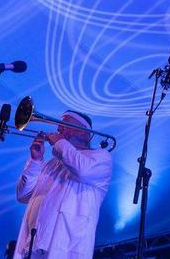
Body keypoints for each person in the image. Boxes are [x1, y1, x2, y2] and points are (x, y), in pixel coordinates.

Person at [13, 110, 112, 259]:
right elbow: (23, 195)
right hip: (33, 246)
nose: (60, 129)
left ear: (85, 132)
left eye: (66, 125)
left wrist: (60, 142)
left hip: (65, 248)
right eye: (60, 125)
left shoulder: (100, 157)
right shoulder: (52, 164)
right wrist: (35, 161)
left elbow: (83, 171)